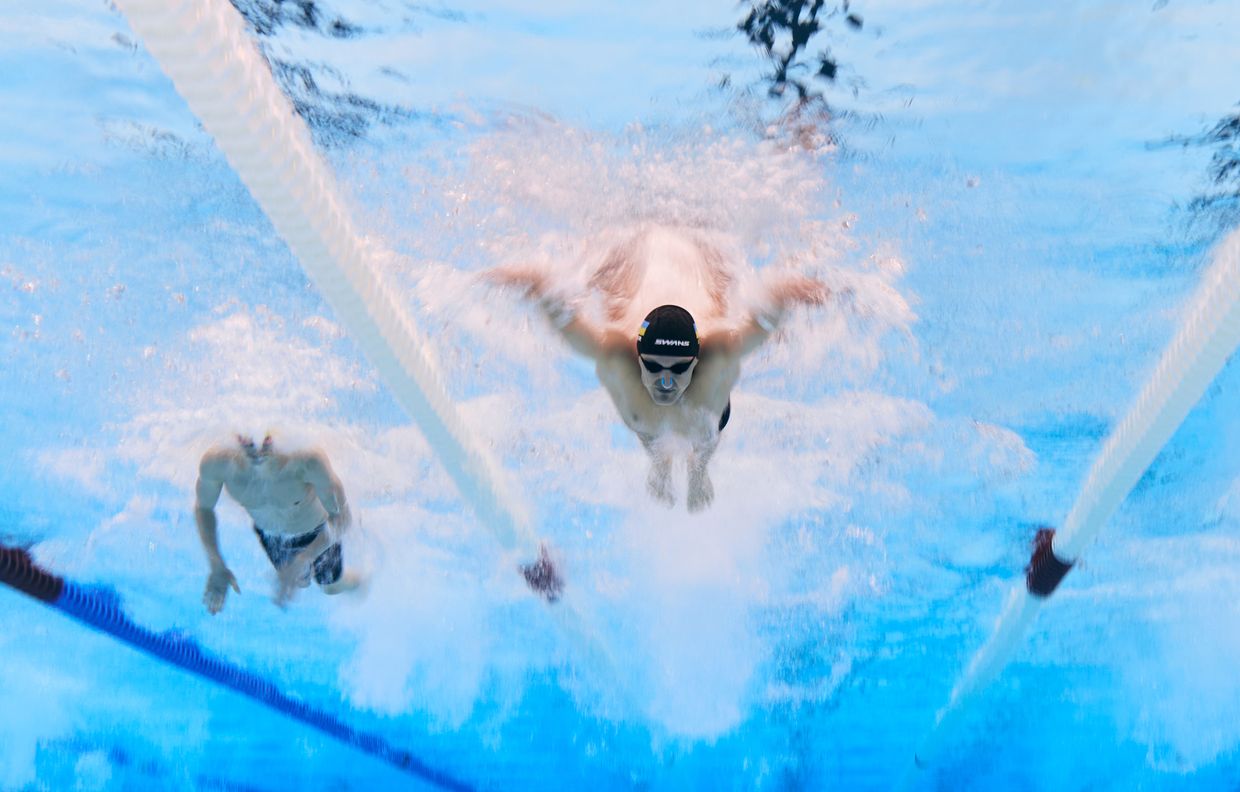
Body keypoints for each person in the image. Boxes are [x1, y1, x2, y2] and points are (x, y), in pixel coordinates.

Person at [489, 230, 828, 511]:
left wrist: (791, 293)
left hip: (705, 412)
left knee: (700, 427)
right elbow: (568, 324)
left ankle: (698, 471)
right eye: (653, 366)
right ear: (638, 356)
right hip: (647, 411)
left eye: (678, 369)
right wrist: (537, 288)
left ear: (695, 362)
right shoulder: (616, 357)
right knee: (648, 422)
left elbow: (764, 319)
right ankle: (660, 465)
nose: (665, 381)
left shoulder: (718, 358)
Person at [193, 433, 362, 613]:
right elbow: (204, 509)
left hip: (317, 532)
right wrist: (216, 565)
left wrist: (305, 558)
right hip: (271, 537)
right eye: (248, 442)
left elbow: (342, 518)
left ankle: (361, 582)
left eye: (264, 441)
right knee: (300, 583)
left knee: (330, 587)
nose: (256, 450)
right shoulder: (217, 464)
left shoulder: (306, 461)